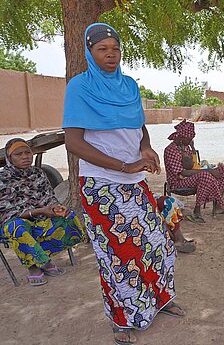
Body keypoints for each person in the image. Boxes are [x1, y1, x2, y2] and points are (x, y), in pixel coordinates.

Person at [63, 23, 183, 345]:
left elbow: (139, 127)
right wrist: (123, 165)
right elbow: (73, 142)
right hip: (101, 186)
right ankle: (121, 319)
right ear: (90, 52)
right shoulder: (80, 87)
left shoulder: (129, 86)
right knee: (118, 255)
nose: (110, 55)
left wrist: (145, 148)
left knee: (157, 244)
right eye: (102, 49)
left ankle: (158, 300)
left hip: (135, 182)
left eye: (115, 49)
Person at [0, 138, 85, 286]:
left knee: (68, 215)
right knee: (18, 227)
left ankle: (42, 258)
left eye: (28, 152)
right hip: (13, 221)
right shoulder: (3, 178)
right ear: (9, 158)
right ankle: (35, 267)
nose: (25, 156)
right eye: (18, 154)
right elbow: (7, 212)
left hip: (40, 216)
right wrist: (39, 211)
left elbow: (49, 198)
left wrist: (56, 208)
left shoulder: (37, 173)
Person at [164, 120, 224, 223]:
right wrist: (207, 170)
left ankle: (218, 207)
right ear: (181, 137)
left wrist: (192, 149)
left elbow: (191, 166)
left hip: (191, 177)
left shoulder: (186, 147)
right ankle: (197, 211)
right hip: (178, 182)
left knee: (223, 171)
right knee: (205, 176)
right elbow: (182, 173)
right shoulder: (171, 150)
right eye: (189, 139)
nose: (191, 141)